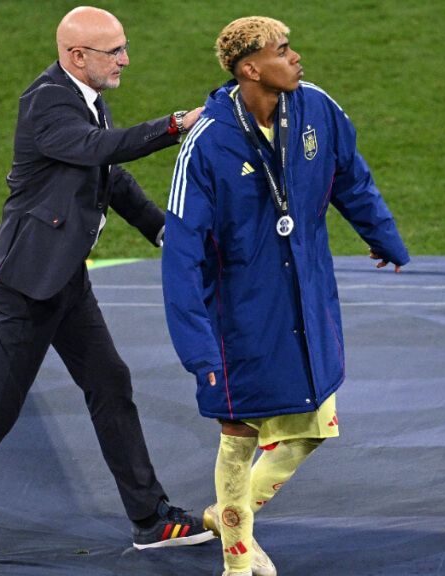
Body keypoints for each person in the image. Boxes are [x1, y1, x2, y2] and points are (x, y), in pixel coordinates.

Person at [0, 6, 213, 575]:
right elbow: (101, 152)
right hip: (29, 285)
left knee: (110, 383)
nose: (126, 59)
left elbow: (107, 177)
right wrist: (173, 125)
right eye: (114, 50)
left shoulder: (82, 94)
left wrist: (159, 227)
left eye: (123, 46)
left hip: (63, 277)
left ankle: (150, 519)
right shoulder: (46, 101)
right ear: (76, 56)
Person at [161, 16, 410, 576]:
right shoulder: (206, 144)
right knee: (240, 431)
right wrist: (198, 351)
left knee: (313, 427)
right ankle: (236, 560)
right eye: (282, 50)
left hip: (306, 296)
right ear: (250, 68)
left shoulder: (317, 108)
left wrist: (384, 238)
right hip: (240, 312)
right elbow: (181, 254)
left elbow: (351, 177)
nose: (296, 57)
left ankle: (229, 515)